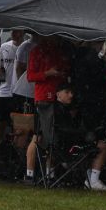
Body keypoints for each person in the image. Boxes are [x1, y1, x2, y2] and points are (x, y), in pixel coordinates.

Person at [25, 35, 72, 182]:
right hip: (43, 99)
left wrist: (61, 74)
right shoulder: (36, 51)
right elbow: (30, 76)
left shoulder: (58, 51)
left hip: (56, 98)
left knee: (52, 135)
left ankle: (49, 174)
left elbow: (64, 69)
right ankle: (30, 173)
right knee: (40, 137)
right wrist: (48, 73)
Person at [0, 29, 25, 148]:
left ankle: (16, 151)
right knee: (0, 123)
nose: (13, 34)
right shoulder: (4, 46)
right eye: (12, 31)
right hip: (4, 91)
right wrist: (0, 72)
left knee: (18, 126)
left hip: (19, 93)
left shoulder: (26, 47)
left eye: (16, 31)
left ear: (22, 33)